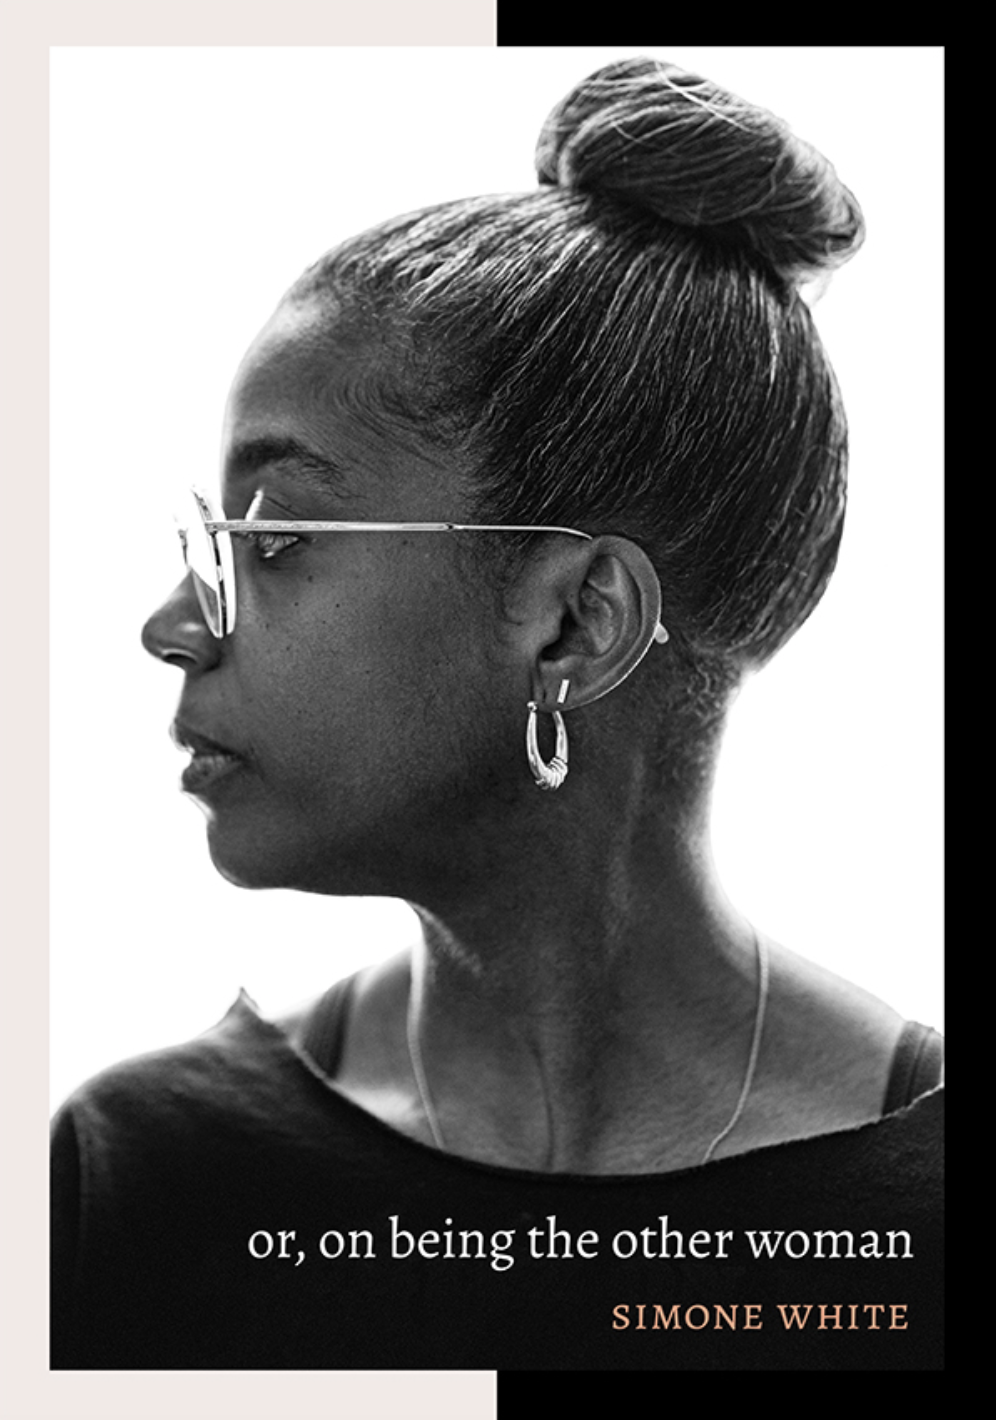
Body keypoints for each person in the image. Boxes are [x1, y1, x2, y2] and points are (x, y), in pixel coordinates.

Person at [50, 55, 942, 1371]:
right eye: (212, 541)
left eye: (275, 539)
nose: (174, 625)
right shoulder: (138, 1185)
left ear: (577, 623)